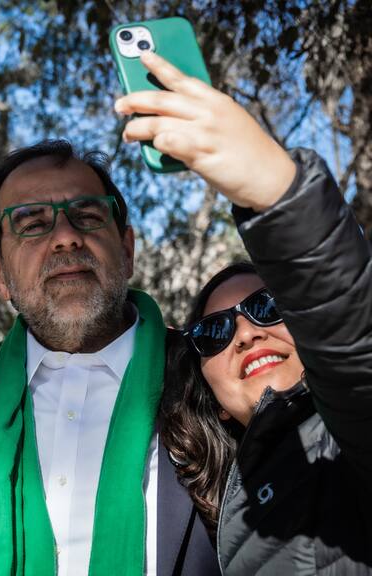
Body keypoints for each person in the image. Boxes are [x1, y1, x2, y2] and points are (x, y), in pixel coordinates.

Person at [0, 57, 232, 576]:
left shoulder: (211, 380)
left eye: (87, 216)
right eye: (32, 222)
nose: (66, 237)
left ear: (127, 250)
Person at [115, 52, 372, 573]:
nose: (246, 333)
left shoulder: (347, 442)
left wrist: (278, 193)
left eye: (267, 306)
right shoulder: (223, 505)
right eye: (212, 332)